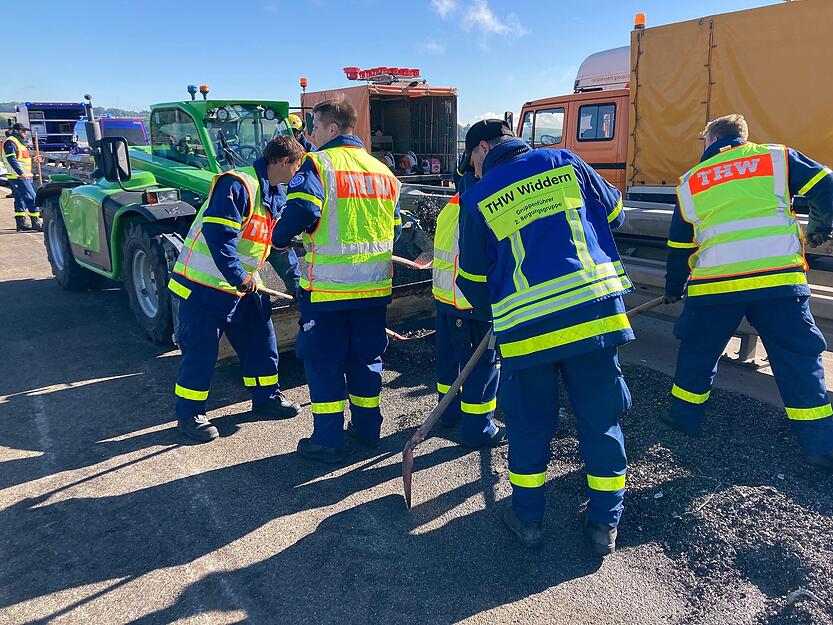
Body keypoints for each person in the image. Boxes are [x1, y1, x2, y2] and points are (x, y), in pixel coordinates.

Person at [456, 119, 633, 554]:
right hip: (592, 316)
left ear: (483, 149)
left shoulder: (478, 196)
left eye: (471, 161)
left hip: (528, 329)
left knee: (529, 425)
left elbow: (472, 278)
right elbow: (616, 213)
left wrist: (496, 315)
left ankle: (529, 519)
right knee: (600, 420)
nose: (472, 170)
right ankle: (603, 526)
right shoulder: (564, 160)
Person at [663, 113, 833, 470]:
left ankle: (684, 420)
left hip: (715, 286)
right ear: (742, 137)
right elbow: (827, 184)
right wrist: (819, 226)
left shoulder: (690, 182)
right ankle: (819, 447)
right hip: (778, 282)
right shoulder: (777, 158)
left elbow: (679, 246)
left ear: (710, 139)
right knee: (798, 359)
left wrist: (674, 288)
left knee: (698, 352)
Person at [272, 96, 402, 464]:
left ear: (331, 129)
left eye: (313, 127)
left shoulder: (318, 164)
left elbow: (302, 210)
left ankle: (328, 441)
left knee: (324, 362)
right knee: (366, 358)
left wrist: (280, 239)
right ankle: (368, 430)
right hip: (374, 288)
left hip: (328, 290)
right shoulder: (383, 172)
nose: (309, 135)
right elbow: (392, 229)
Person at [167, 136, 304, 442]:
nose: (298, 172)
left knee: (260, 339)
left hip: (240, 287)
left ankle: (266, 398)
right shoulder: (237, 185)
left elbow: (278, 247)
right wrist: (240, 276)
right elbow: (219, 236)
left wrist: (296, 286)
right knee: (201, 352)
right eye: (297, 165)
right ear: (283, 162)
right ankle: (190, 415)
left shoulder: (273, 194)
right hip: (203, 286)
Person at [432, 153, 506, 448]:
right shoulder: (484, 206)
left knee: (450, 363)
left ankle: (446, 413)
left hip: (446, 300)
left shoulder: (453, 204)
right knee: (481, 369)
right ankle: (478, 428)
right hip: (471, 304)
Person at [2, 123, 41, 232]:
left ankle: (21, 224)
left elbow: (21, 158)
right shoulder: (11, 142)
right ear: (16, 131)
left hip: (24, 176)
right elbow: (12, 159)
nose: (25, 133)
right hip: (18, 176)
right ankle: (36, 222)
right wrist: (20, 173)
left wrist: (34, 159)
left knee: (20, 199)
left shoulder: (19, 143)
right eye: (23, 131)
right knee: (31, 197)